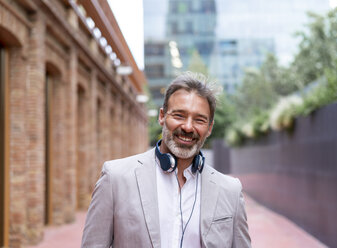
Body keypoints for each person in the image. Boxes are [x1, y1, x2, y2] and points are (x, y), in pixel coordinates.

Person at [81, 72, 251, 248]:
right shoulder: (115, 178)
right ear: (162, 116)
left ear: (209, 128)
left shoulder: (230, 190)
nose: (187, 127)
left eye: (199, 120)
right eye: (179, 115)